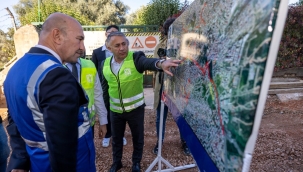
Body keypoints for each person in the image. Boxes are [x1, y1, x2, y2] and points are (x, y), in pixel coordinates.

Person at [4, 12, 95, 172]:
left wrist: (21, 160)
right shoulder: (57, 75)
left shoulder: (15, 70)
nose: (82, 48)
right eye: (79, 39)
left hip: (38, 164)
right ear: (57, 36)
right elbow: (62, 144)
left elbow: (15, 122)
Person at [99, 31, 181, 172]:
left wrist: (160, 63)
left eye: (124, 44)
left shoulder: (136, 58)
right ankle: (116, 162)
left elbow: (147, 63)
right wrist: (105, 114)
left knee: (138, 138)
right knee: (116, 139)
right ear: (109, 48)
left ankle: (136, 163)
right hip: (115, 111)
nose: (122, 48)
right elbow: (105, 91)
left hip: (135, 110)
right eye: (117, 45)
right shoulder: (104, 64)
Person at [153, 18, 190, 156]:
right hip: (163, 87)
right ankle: (160, 142)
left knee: (181, 117)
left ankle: (185, 141)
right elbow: (154, 64)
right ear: (166, 32)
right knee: (160, 117)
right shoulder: (160, 46)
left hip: (179, 88)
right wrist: (161, 60)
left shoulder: (186, 45)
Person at [91, 25, 127, 147]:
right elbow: (94, 71)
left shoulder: (122, 51)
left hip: (119, 86)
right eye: (110, 32)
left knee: (119, 111)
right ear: (106, 35)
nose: (112, 34)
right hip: (104, 88)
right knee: (106, 109)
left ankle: (120, 134)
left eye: (115, 32)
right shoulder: (97, 52)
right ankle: (107, 135)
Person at [65, 52, 108, 139]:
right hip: (64, 127)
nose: (81, 47)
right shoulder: (54, 66)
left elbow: (98, 95)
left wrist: (103, 121)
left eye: (82, 41)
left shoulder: (89, 65)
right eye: (78, 39)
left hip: (88, 124)